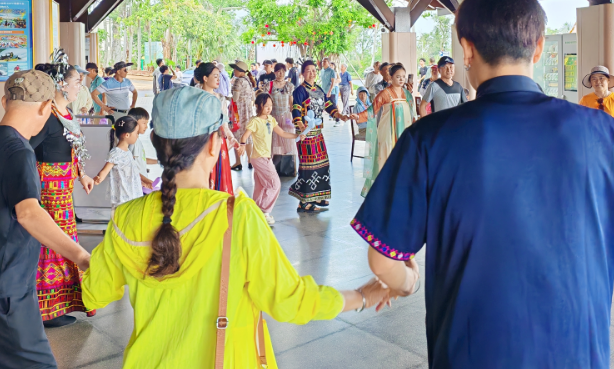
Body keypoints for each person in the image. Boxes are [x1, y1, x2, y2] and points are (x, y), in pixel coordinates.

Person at [352, 0, 614, 368]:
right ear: (538, 48)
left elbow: (383, 260)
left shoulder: (427, 138)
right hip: (573, 356)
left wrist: (407, 283)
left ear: (467, 50)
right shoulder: (604, 133)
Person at [81, 85, 389, 368]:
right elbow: (290, 301)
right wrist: (361, 296)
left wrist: (83, 255)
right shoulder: (237, 216)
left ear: (156, 144)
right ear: (214, 144)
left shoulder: (125, 218)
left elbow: (94, 293)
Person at [0, 69, 91, 369]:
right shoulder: (19, 150)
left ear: (4, 102)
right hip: (3, 286)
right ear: (46, 107)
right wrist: (82, 257)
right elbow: (28, 213)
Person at [29, 55, 95, 327]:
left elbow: (71, 149)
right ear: (61, 84)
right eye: (77, 81)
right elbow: (25, 148)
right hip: (50, 189)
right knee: (54, 242)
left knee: (64, 241)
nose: (80, 86)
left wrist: (81, 173)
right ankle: (47, 308)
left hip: (64, 188)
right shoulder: (47, 116)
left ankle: (60, 303)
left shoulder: (65, 113)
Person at [290, 60, 353, 213]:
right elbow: (296, 109)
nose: (312, 73)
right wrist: (300, 125)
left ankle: (317, 197)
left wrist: (339, 115)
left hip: (318, 133)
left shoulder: (318, 89)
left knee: (322, 164)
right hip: (306, 135)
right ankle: (304, 202)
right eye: (308, 71)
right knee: (308, 166)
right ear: (303, 73)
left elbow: (328, 105)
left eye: (314, 70)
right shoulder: (299, 91)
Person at [241, 93, 300, 226]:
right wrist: (242, 145)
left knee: (261, 185)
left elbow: (282, 133)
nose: (269, 108)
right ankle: (264, 211)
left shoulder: (271, 120)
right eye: (266, 106)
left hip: (266, 157)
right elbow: (244, 136)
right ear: (258, 106)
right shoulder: (255, 121)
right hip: (259, 158)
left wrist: (297, 136)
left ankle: (255, 210)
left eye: (271, 106)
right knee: (274, 184)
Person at [358, 63, 417, 197]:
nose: (401, 79)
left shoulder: (407, 94)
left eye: (403, 77)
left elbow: (412, 114)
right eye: (398, 76)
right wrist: (358, 116)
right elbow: (372, 110)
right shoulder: (384, 93)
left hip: (404, 133)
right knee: (386, 158)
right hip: (388, 133)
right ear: (390, 77)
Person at [194, 63, 244, 194]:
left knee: (219, 177)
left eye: (219, 76)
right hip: (201, 142)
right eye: (215, 76)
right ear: (205, 78)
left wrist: (232, 138)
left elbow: (224, 123)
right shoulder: (195, 97)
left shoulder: (220, 98)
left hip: (218, 142)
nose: (218, 80)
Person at [93, 115, 143, 208]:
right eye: (136, 133)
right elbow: (105, 171)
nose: (137, 136)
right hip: (123, 198)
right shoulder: (116, 153)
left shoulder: (128, 152)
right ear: (127, 135)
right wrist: (98, 179)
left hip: (132, 196)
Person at [578, 66, 614, 133]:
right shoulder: (585, 100)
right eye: (594, 79)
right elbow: (580, 120)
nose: (598, 82)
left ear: (608, 80)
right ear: (591, 82)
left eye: (601, 78)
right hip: (592, 135)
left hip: (612, 135)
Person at [229, 60, 255, 172]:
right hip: (248, 112)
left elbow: (235, 98)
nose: (234, 71)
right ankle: (250, 161)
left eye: (235, 69)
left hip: (238, 112)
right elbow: (253, 98)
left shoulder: (238, 81)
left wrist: (226, 98)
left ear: (240, 71)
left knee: (237, 136)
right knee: (247, 136)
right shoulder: (248, 80)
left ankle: (238, 162)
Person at [268, 63, 297, 163]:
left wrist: (295, 117)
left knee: (288, 141)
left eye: (283, 71)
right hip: (273, 117)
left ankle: (288, 165)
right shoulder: (269, 85)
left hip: (287, 117)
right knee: (274, 142)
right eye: (278, 71)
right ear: (275, 72)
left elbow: (291, 103)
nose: (281, 73)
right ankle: (275, 165)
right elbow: (265, 102)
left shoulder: (289, 85)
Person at [127, 107, 157, 190]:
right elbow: (129, 165)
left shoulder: (137, 141)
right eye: (144, 123)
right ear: (134, 123)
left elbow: (141, 160)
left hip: (141, 182)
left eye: (147, 123)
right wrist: (144, 181)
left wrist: (158, 161)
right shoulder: (133, 142)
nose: (146, 127)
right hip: (138, 183)